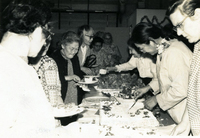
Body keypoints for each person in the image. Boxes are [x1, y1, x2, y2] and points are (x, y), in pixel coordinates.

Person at [0, 1, 73, 137]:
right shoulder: (5, 67)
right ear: (38, 29)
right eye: (47, 33)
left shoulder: (18, 63)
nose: (45, 43)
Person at [131, 22, 192, 136]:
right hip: (177, 112)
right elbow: (165, 78)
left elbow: (181, 89)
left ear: (150, 41)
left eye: (141, 48)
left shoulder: (174, 52)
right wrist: (147, 88)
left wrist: (156, 99)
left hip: (187, 113)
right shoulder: (164, 48)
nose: (142, 52)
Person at [166, 0, 200, 136]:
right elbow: (193, 90)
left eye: (180, 25)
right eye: (176, 28)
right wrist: (186, 123)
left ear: (197, 14)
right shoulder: (197, 45)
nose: (179, 33)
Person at [50, 31, 85, 125]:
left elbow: (78, 73)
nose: (74, 52)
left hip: (75, 96)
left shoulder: (75, 57)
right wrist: (69, 77)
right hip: (61, 97)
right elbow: (51, 80)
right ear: (63, 46)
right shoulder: (53, 58)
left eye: (76, 49)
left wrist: (81, 80)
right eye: (71, 48)